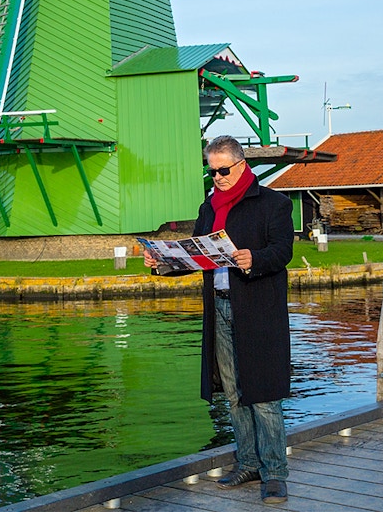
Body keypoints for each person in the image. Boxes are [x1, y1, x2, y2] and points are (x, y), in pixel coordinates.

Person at [145, 135, 294, 504]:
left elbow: (282, 251)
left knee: (264, 394)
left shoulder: (274, 203)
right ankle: (246, 463)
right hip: (220, 306)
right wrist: (163, 265)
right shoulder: (209, 207)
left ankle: (274, 473)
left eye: (223, 170)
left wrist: (254, 259)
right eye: (211, 171)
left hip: (258, 310)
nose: (217, 178)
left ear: (242, 165)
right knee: (233, 392)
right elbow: (198, 257)